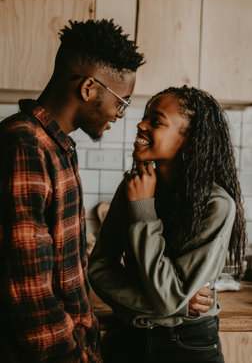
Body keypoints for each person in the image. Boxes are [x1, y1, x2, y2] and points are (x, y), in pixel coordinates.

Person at [0, 19, 145, 362]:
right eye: (121, 102)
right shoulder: (24, 146)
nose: (121, 114)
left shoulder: (56, 147)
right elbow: (30, 293)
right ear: (88, 88)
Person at [89, 85, 247, 363]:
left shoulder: (217, 204)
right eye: (145, 116)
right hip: (128, 339)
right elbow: (100, 267)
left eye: (156, 121)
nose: (140, 124)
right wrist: (173, 303)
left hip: (189, 344)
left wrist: (143, 208)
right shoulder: (132, 187)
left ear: (189, 139)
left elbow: (170, 299)